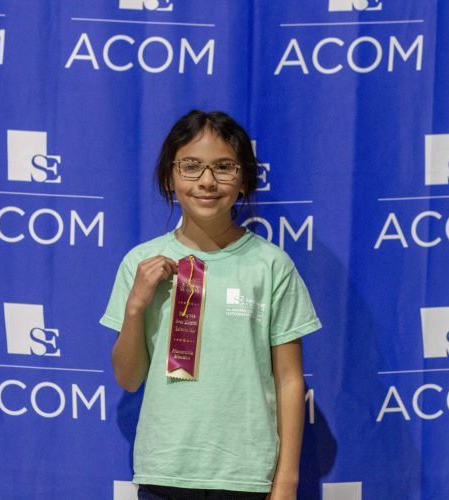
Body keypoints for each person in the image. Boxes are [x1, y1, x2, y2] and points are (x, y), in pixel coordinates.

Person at [100, 110, 321, 500]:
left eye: (223, 167)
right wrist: (135, 307)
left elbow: (289, 380)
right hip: (165, 473)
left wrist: (286, 482)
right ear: (169, 177)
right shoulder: (141, 262)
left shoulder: (271, 265)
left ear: (244, 179)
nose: (206, 181)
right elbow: (128, 378)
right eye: (191, 166)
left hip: (246, 477)